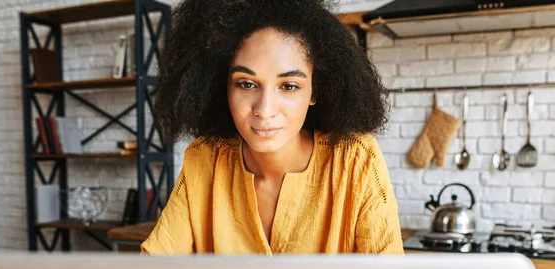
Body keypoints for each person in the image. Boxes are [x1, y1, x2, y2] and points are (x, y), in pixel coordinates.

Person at [141, 0, 403, 255]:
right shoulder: (205, 158)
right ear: (221, 86)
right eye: (246, 84)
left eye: (289, 86)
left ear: (316, 90)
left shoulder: (355, 159)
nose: (264, 111)